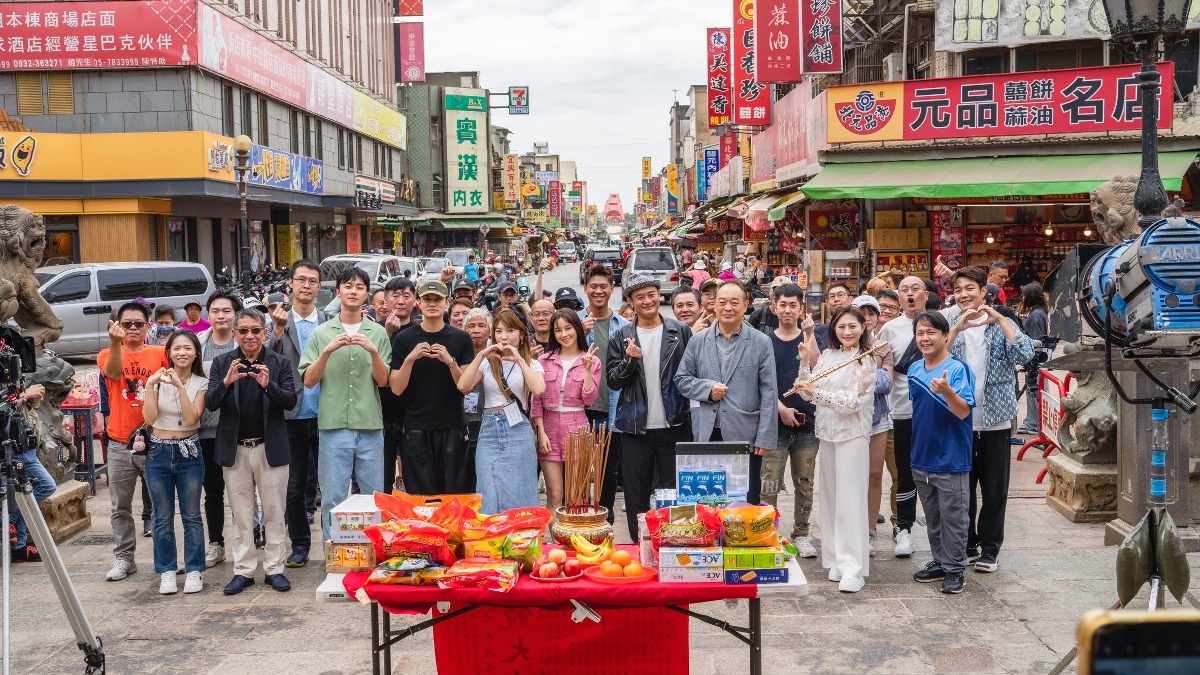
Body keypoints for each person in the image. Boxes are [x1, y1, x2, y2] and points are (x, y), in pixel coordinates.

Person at [944, 267, 1034, 574]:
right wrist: (956, 329)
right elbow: (935, 359)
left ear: (985, 291)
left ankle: (991, 548)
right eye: (958, 290)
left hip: (995, 419)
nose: (964, 295)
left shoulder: (1003, 323)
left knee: (995, 488)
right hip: (960, 419)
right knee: (962, 487)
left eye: (970, 288)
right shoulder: (949, 323)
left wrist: (1001, 322)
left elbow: (1025, 354)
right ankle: (967, 543)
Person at [205, 308, 298, 595]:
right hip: (236, 450)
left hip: (270, 448)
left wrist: (267, 385)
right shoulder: (222, 363)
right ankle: (243, 570)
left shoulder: (278, 362)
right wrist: (226, 383)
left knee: (273, 510)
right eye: (243, 330)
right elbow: (210, 403)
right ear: (234, 333)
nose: (249, 336)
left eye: (255, 330)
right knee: (242, 513)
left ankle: (274, 568)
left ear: (265, 332)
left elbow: (290, 401)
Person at [299, 267, 393, 542]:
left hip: (370, 427)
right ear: (338, 291)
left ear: (367, 294)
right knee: (333, 498)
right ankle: (334, 557)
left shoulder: (377, 333)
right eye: (348, 286)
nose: (353, 291)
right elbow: (308, 380)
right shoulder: (321, 334)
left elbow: (383, 380)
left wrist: (373, 351)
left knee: (374, 499)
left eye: (359, 287)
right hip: (333, 427)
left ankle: (373, 555)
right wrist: (327, 351)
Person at [791, 306, 875, 593]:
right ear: (834, 330)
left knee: (850, 501)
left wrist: (818, 394)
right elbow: (805, 390)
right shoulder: (829, 356)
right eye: (841, 327)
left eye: (853, 326)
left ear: (863, 328)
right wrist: (804, 363)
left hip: (852, 435)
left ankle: (854, 566)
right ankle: (838, 559)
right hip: (827, 434)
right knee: (831, 498)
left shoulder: (866, 360)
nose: (847, 332)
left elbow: (853, 402)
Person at [606, 273, 692, 541]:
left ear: (659, 295)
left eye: (651, 294)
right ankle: (640, 547)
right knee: (636, 495)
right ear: (630, 302)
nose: (647, 301)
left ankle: (674, 544)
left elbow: (692, 373)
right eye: (639, 297)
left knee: (675, 491)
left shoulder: (680, 332)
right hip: (635, 429)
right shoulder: (621, 337)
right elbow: (613, 381)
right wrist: (629, 362)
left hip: (675, 424)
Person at [675, 280, 777, 503]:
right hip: (707, 431)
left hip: (745, 432)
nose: (727, 307)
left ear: (745, 305)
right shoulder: (698, 340)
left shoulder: (761, 342)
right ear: (714, 305)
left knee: (744, 499)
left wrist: (766, 437)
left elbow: (769, 391)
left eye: (734, 302)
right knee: (708, 497)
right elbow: (681, 379)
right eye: (722, 302)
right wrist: (707, 389)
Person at [99, 301, 170, 581]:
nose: (132, 329)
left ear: (148, 325)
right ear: (116, 326)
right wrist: (116, 344)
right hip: (119, 442)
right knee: (120, 506)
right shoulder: (107, 353)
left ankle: (164, 559)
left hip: (156, 439)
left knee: (162, 504)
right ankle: (124, 558)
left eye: (138, 324)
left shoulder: (161, 353)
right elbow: (114, 374)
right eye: (126, 324)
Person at [908, 311, 976, 595]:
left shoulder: (958, 369)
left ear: (946, 335)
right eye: (920, 333)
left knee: (954, 517)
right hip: (921, 456)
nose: (925, 338)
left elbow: (963, 411)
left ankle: (956, 568)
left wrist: (947, 390)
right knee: (933, 517)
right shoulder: (914, 369)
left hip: (951, 458)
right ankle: (940, 561)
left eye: (931, 333)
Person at [266, 260, 326, 568]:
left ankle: (335, 543)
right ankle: (300, 545)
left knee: (330, 484)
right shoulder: (278, 320)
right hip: (291, 414)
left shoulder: (330, 320)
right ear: (290, 284)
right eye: (300, 279)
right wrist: (276, 330)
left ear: (319, 287)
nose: (306, 285)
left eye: (312, 281)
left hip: (327, 414)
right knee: (292, 485)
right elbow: (264, 359)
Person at [390, 281, 477, 494]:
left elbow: (465, 386)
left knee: (455, 496)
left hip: (452, 427)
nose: (432, 304)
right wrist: (410, 359)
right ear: (418, 303)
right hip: (416, 428)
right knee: (421, 498)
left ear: (447, 302)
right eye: (427, 299)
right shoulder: (404, 338)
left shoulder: (461, 338)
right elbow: (396, 388)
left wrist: (449, 361)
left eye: (437, 299)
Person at [458, 308, 546, 513]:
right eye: (498, 331)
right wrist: (481, 355)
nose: (504, 336)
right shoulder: (488, 364)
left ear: (522, 335)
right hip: (489, 429)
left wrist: (520, 360)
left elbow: (539, 389)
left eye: (510, 331)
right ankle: (491, 542)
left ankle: (523, 541)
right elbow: (463, 386)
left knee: (521, 491)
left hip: (519, 431)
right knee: (488, 489)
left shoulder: (532, 363)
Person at [141, 330, 209, 594]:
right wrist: (150, 386)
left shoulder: (201, 382)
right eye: (177, 348)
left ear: (196, 353)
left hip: (189, 450)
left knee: (192, 514)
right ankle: (167, 570)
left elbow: (193, 418)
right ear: (168, 352)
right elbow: (149, 418)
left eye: (187, 349)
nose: (182, 353)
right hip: (158, 450)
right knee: (162, 516)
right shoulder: (156, 381)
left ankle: (194, 570)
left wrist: (180, 386)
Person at [759, 283, 819, 558]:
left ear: (800, 307)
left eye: (793, 305)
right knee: (769, 483)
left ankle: (802, 534)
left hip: (808, 425)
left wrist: (810, 335)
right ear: (774, 306)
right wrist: (780, 408)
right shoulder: (764, 342)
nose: (787, 310)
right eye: (782, 304)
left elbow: (818, 370)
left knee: (804, 482)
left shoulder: (808, 338)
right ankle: (767, 534)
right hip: (774, 425)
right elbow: (760, 384)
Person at [877, 276, 927, 558]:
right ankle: (904, 528)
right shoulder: (889, 330)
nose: (910, 294)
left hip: (935, 410)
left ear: (926, 294)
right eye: (904, 289)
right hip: (902, 410)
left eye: (915, 288)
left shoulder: (938, 322)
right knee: (905, 472)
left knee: (937, 473)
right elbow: (882, 370)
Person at [532, 311, 601, 512]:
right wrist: (541, 432)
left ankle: (572, 542)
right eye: (558, 330)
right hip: (550, 427)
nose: (564, 334)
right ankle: (553, 542)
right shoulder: (544, 360)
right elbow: (536, 399)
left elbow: (589, 399)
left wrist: (587, 370)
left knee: (575, 494)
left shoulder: (591, 360)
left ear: (577, 330)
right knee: (555, 494)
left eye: (568, 328)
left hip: (577, 425)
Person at [578, 264, 629, 525]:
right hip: (580, 411)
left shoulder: (625, 325)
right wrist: (579, 335)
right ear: (585, 289)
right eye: (593, 286)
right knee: (579, 471)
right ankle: (579, 521)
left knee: (608, 472)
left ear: (612, 289)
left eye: (603, 286)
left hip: (614, 409)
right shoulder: (573, 323)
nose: (598, 291)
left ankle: (605, 522)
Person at [197, 292, 242, 567]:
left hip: (238, 429)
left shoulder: (244, 343)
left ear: (235, 314)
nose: (221, 315)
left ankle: (244, 540)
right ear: (208, 314)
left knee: (241, 491)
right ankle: (216, 543)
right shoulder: (198, 344)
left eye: (226, 311)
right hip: (205, 429)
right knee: (212, 491)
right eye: (215, 310)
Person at [852, 295, 894, 557]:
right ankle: (850, 528)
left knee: (874, 475)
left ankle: (869, 530)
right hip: (848, 420)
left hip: (877, 417)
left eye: (872, 313)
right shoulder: (841, 346)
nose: (867, 318)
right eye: (861, 313)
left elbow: (885, 384)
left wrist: (858, 374)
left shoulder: (883, 347)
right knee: (850, 476)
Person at [7, 383, 54, 563]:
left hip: (26, 445)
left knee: (24, 494)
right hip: (16, 449)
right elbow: (4, 409)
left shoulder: (9, 367)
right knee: (46, 485)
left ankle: (19, 547)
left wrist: (29, 398)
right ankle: (7, 520)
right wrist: (26, 395)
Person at [1017, 282, 1049, 435]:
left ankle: (1033, 423)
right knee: (1039, 390)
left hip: (1036, 361)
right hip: (1040, 360)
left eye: (1024, 295)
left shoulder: (1036, 315)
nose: (1022, 298)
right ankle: (1036, 422)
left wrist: (1032, 359)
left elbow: (1038, 341)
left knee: (1034, 390)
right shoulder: (1041, 312)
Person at [461, 308, 491, 459]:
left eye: (481, 325)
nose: (476, 330)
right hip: (462, 424)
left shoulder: (498, 355)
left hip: (489, 423)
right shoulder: (457, 356)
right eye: (471, 326)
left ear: (490, 330)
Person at [814, 282, 853, 350]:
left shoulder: (858, 327)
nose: (836, 299)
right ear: (828, 303)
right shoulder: (820, 332)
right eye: (832, 296)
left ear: (851, 299)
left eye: (840, 295)